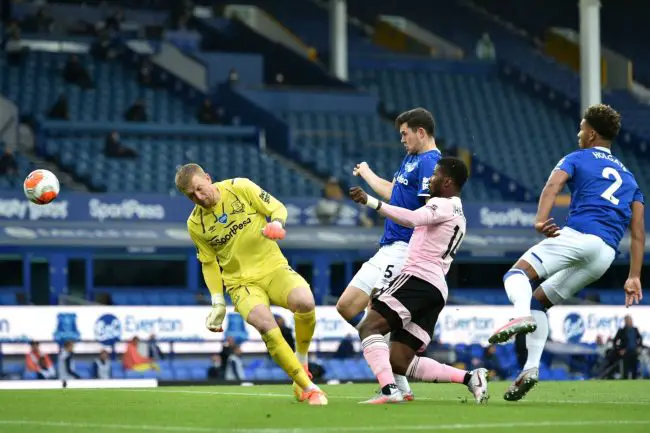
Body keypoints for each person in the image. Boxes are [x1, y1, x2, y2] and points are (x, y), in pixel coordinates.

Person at [489, 104, 645, 400]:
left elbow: (553, 185)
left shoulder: (577, 158)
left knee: (517, 273)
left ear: (591, 133)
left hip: (579, 235)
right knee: (539, 304)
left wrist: (539, 219)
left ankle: (520, 316)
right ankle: (530, 369)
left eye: (582, 127)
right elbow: (638, 233)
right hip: (604, 255)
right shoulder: (631, 179)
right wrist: (634, 276)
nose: (578, 132)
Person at [175, 163, 326, 405]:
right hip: (241, 283)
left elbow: (277, 207)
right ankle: (307, 387)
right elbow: (209, 263)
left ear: (208, 177)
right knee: (264, 322)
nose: (199, 198)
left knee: (305, 301)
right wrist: (217, 303)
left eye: (200, 189)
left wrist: (277, 223)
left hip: (274, 268)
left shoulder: (240, 187)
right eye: (191, 196)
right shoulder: (195, 224)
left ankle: (302, 359)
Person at [349, 157, 488, 404]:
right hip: (435, 288)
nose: (429, 179)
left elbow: (412, 219)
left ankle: (389, 391)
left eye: (434, 175)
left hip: (418, 278)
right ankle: (471, 378)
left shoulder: (444, 205)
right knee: (399, 360)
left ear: (447, 181)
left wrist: (371, 202)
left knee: (368, 327)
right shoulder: (458, 212)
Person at [336, 107, 441, 400]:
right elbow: (394, 192)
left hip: (406, 249)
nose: (402, 140)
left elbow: (427, 212)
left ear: (421, 132)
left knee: (374, 317)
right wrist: (367, 173)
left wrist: (371, 203)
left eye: (405, 134)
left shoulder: (431, 162)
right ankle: (396, 378)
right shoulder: (411, 158)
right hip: (387, 247)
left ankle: (392, 386)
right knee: (346, 307)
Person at [613, 315, 643, 379]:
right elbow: (615, 341)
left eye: (630, 320)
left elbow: (640, 338)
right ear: (625, 322)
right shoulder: (621, 331)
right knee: (625, 370)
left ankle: (634, 384)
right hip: (626, 353)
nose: (630, 322)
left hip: (634, 352)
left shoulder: (635, 329)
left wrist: (639, 347)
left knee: (634, 370)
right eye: (628, 321)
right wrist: (619, 350)